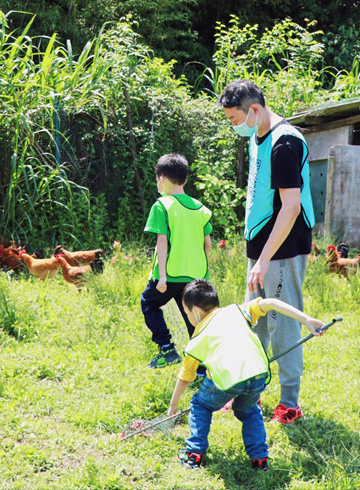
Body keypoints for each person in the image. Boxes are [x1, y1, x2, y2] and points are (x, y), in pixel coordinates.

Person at [219, 79, 316, 424]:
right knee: (253, 322)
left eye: (234, 118)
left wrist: (263, 260)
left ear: (254, 110)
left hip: (283, 248)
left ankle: (289, 403)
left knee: (282, 322)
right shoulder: (259, 136)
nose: (234, 125)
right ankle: (250, 395)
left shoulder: (284, 143)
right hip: (261, 244)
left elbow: (290, 207)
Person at [168, 279, 325, 470]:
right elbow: (271, 303)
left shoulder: (197, 340)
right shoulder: (237, 311)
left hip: (227, 382)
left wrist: (174, 404)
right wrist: (306, 319)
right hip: (258, 376)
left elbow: (186, 376)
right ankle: (260, 459)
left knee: (200, 405)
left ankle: (194, 452)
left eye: (186, 313)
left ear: (195, 310)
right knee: (249, 410)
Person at [140, 153, 213, 369]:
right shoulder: (201, 208)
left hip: (170, 274)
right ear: (185, 180)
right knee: (193, 319)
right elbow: (207, 243)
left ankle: (166, 348)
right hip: (196, 276)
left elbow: (162, 242)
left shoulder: (162, 205)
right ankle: (200, 368)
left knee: (149, 302)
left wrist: (161, 276)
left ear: (161, 179)